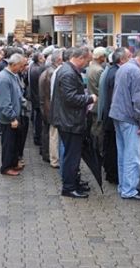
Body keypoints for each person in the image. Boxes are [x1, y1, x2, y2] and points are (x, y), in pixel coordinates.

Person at [109, 48, 140, 201]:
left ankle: (124, 186)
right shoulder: (136, 72)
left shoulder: (123, 68)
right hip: (129, 118)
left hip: (118, 114)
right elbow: (139, 101)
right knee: (132, 156)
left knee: (123, 153)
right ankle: (129, 190)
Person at [51, 46, 96, 199]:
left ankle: (74, 182)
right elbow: (70, 98)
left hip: (70, 120)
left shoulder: (68, 70)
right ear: (80, 58)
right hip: (70, 122)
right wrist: (90, 99)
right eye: (87, 61)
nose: (87, 64)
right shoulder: (68, 73)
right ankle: (69, 187)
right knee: (72, 156)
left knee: (73, 155)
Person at [98, 47, 130, 185]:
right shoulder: (116, 73)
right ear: (122, 60)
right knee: (112, 147)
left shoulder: (111, 71)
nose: (131, 60)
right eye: (129, 57)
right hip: (112, 116)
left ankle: (111, 172)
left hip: (109, 114)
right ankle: (113, 174)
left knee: (110, 145)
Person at [0, 53, 27, 176]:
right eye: (21, 65)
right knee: (8, 143)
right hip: (8, 119)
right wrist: (12, 117)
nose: (22, 68)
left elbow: (18, 94)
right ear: (14, 65)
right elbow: (4, 103)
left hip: (14, 115)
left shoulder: (12, 75)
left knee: (14, 142)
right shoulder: (4, 78)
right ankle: (6, 167)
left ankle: (13, 163)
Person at [39, 48, 63, 167]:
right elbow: (51, 95)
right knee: (53, 135)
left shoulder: (48, 71)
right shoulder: (52, 73)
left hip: (46, 107)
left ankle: (47, 154)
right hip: (50, 109)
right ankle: (52, 158)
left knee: (48, 132)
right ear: (59, 60)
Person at [28, 52, 45, 147]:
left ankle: (37, 136)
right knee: (38, 119)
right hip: (38, 98)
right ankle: (37, 137)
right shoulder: (38, 69)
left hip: (35, 97)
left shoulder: (34, 67)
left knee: (37, 118)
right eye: (42, 57)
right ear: (39, 59)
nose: (44, 59)